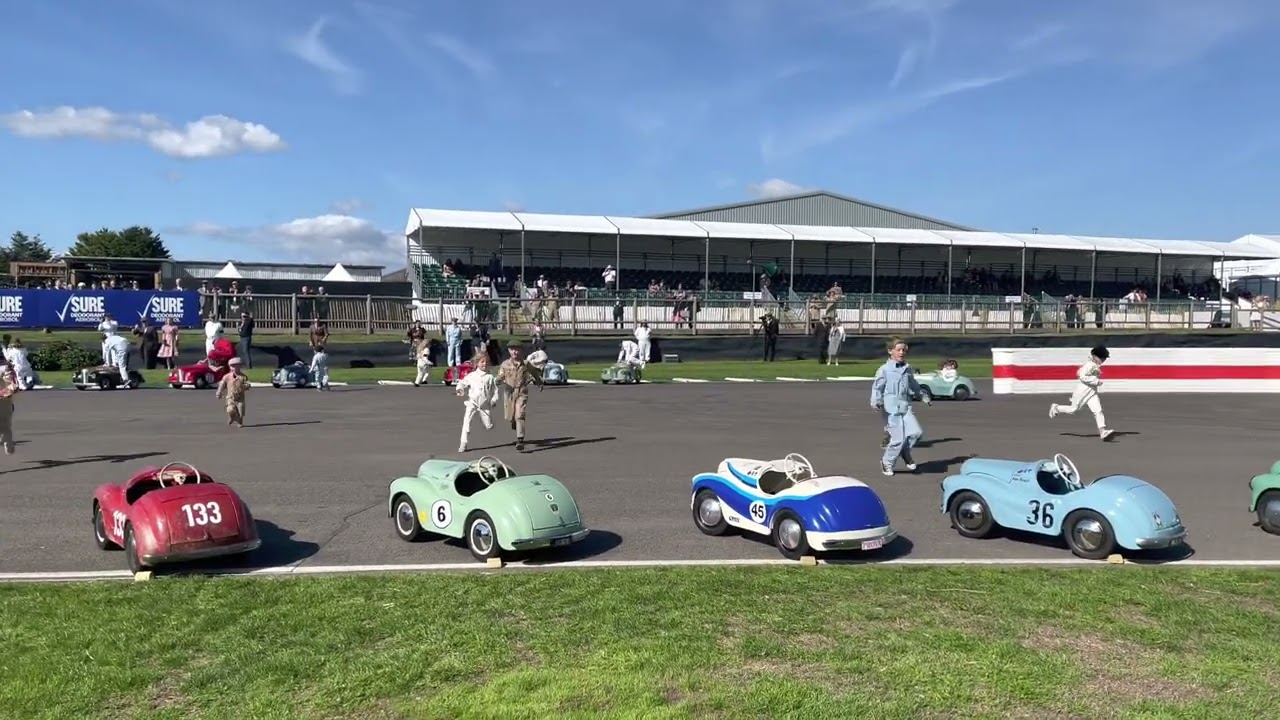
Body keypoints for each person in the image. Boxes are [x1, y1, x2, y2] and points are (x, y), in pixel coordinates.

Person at [871, 338, 929, 476]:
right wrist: (876, 401)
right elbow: (877, 388)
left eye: (904, 350)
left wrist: (922, 396)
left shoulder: (907, 368)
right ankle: (887, 462)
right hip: (890, 409)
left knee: (916, 433)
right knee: (897, 439)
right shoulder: (884, 370)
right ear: (890, 351)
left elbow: (913, 384)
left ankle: (904, 451)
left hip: (905, 406)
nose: (901, 352)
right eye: (898, 350)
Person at [1049, 345, 1114, 440]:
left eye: (1104, 358)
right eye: (1102, 358)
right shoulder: (1089, 365)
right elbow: (1081, 376)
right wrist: (1096, 381)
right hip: (1082, 391)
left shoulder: (1095, 365)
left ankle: (1102, 431)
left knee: (1098, 410)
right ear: (1095, 357)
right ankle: (1056, 408)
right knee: (1073, 409)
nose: (1104, 360)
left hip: (1092, 392)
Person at [498, 343, 542, 451]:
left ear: (521, 351)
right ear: (509, 351)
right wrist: (496, 381)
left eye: (517, 350)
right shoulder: (505, 364)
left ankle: (520, 440)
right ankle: (514, 422)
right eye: (512, 350)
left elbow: (535, 373)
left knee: (520, 415)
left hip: (521, 392)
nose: (515, 352)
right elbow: (500, 375)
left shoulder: (526, 364)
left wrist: (539, 382)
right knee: (510, 416)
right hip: (509, 393)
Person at [456, 353, 499, 452]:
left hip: (484, 405)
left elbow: (495, 390)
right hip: (472, 403)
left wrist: (493, 400)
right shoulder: (472, 376)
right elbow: (462, 382)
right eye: (482, 362)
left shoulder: (490, 377)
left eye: (486, 362)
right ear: (477, 363)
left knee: (488, 425)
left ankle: (489, 424)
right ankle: (463, 443)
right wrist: (460, 389)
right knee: (467, 422)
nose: (484, 364)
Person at [215, 357, 250, 427]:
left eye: (236, 366)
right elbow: (222, 384)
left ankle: (240, 422)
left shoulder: (243, 377)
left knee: (241, 410)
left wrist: (246, 386)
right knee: (230, 409)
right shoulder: (227, 376)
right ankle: (233, 417)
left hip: (240, 398)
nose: (234, 368)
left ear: (239, 366)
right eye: (232, 366)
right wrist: (219, 392)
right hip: (230, 397)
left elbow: (247, 384)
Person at [0, 355, 17, 454]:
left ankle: (8, 443)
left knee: (5, 427)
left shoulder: (5, 368)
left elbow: (12, 385)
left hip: (3, 402)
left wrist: (5, 392)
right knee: (5, 428)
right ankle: (8, 443)